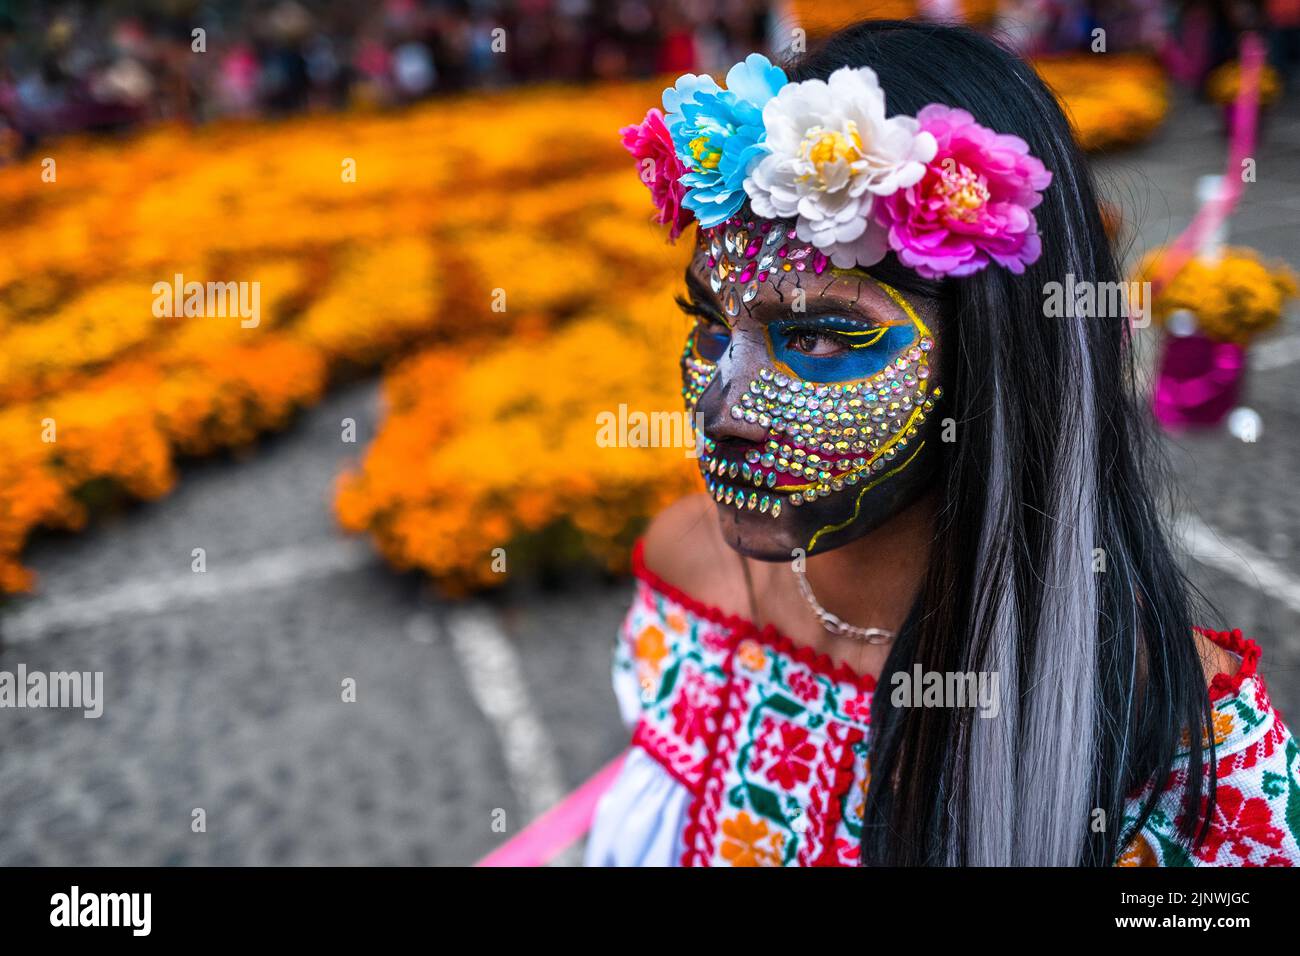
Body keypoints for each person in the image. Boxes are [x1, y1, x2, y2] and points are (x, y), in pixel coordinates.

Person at [591, 18, 1300, 867]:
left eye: (819, 336)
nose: (721, 406)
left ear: (993, 356)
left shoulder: (1177, 740)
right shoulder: (691, 577)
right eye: (709, 326)